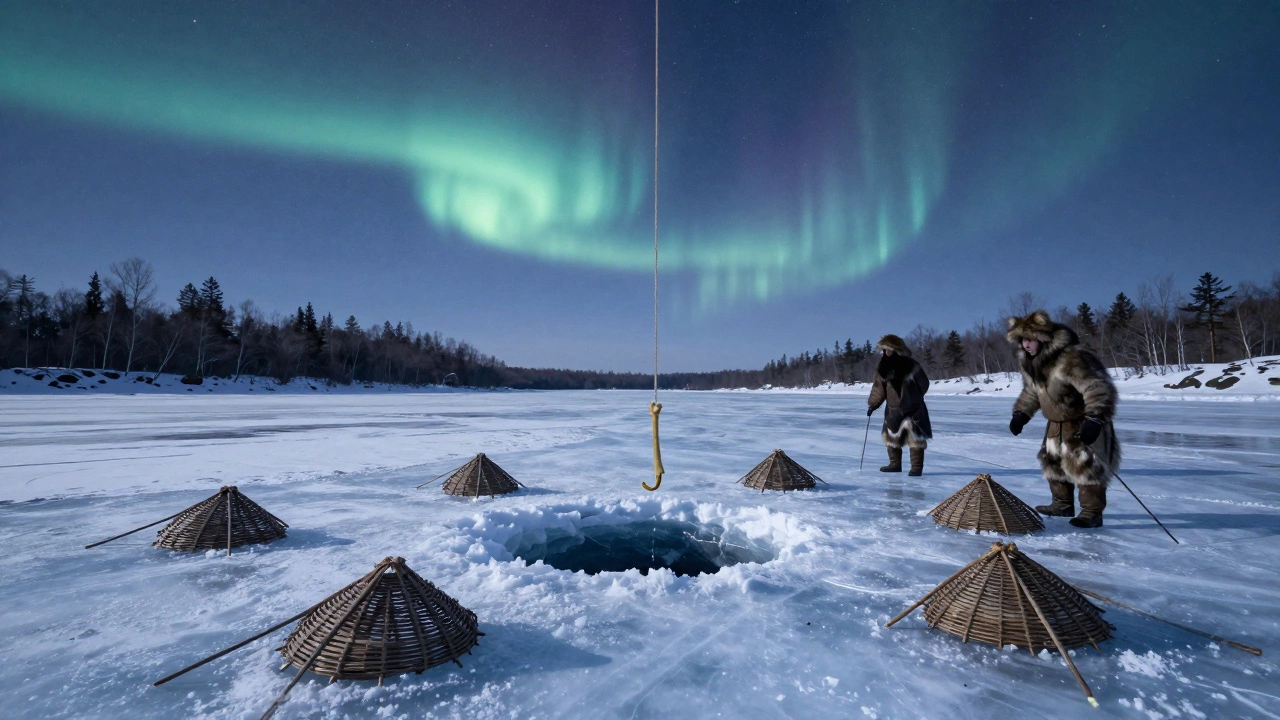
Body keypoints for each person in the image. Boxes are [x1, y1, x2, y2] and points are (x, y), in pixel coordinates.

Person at [1006, 310, 1120, 528]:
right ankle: (1062, 504)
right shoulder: (1033, 363)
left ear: (1043, 337)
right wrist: (1021, 413)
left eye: (1029, 339)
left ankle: (1092, 511)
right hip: (1056, 423)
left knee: (1085, 466)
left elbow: (1097, 388)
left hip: (1081, 421)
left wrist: (1095, 418)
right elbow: (1032, 392)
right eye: (1021, 340)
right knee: (1053, 462)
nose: (1025, 345)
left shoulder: (1072, 359)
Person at [867, 334, 932, 476]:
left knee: (915, 438)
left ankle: (916, 467)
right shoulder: (882, 367)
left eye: (888, 349)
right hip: (893, 409)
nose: (885, 352)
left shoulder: (912, 365)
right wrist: (873, 404)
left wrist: (915, 397)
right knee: (892, 437)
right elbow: (879, 388)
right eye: (884, 350)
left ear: (896, 350)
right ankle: (895, 464)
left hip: (914, 409)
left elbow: (924, 384)